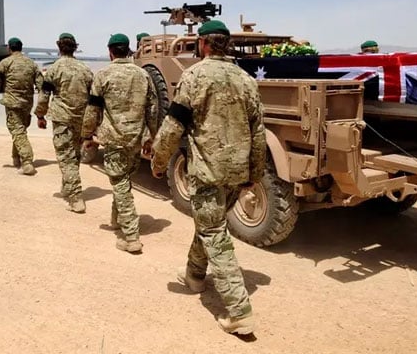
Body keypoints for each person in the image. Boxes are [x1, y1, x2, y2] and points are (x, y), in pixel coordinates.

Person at [150, 20, 263, 335]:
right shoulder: (246, 79)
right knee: (211, 224)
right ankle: (195, 276)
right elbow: (258, 133)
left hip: (207, 172)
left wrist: (159, 160)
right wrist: (253, 173)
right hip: (236, 171)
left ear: (203, 44)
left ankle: (239, 311)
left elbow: (175, 125)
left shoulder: (194, 76)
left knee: (214, 232)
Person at [81, 33, 158, 253]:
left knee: (120, 183)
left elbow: (93, 109)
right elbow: (153, 109)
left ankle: (131, 236)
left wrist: (87, 135)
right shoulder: (143, 75)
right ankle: (117, 219)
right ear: (128, 50)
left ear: (110, 51)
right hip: (136, 138)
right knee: (123, 180)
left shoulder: (103, 74)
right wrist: (152, 136)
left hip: (114, 139)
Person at [34, 33, 94, 213]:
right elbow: (93, 97)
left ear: (59, 47)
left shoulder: (54, 69)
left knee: (65, 156)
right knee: (74, 154)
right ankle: (67, 187)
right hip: (81, 118)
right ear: (75, 47)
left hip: (62, 118)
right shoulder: (85, 69)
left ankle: (75, 197)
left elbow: (45, 95)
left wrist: (40, 115)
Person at [0, 37, 43, 175]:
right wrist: (41, 105)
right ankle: (16, 158)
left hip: (12, 103)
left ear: (9, 48)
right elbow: (41, 85)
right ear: (21, 48)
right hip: (27, 103)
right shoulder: (32, 64)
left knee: (17, 131)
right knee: (20, 130)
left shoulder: (5, 62)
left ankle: (27, 162)